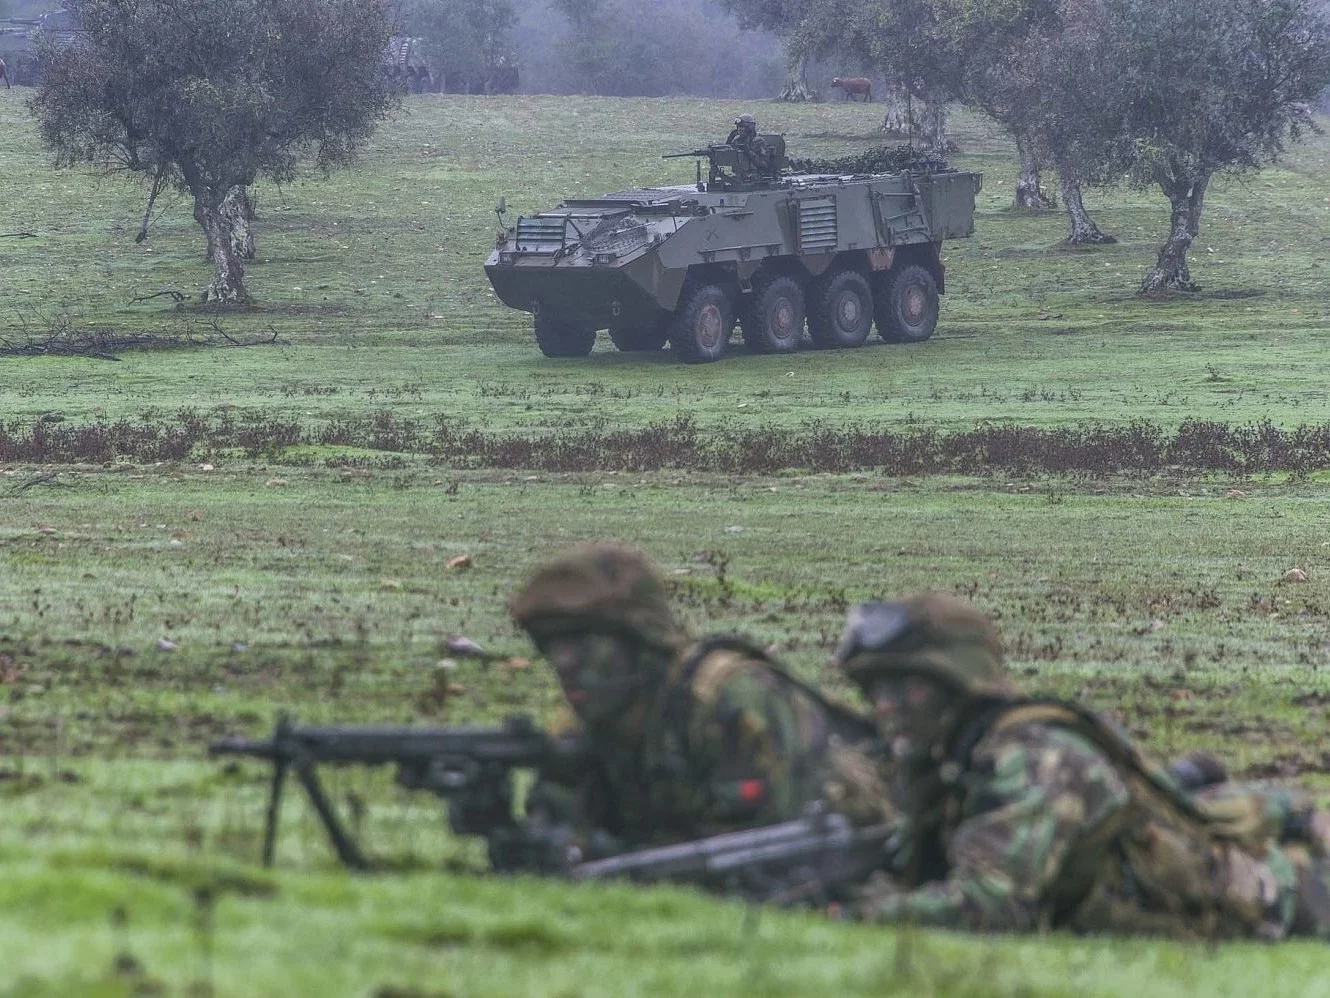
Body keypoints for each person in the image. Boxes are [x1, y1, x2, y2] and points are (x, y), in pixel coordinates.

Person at [830, 593, 1330, 940]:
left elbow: (993, 906)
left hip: (1266, 899)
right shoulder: (955, 758)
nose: (886, 705)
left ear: (953, 681)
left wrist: (848, 914)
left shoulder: (1029, 758)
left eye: (904, 687)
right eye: (875, 690)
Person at [493, 542, 877, 870]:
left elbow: (777, 845)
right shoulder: (584, 727)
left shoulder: (731, 703)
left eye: (583, 642)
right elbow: (558, 834)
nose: (564, 662)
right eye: (552, 645)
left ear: (640, 642)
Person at [726, 113, 772, 183]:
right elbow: (727, 155)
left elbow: (764, 165)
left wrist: (748, 151)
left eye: (742, 127)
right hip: (740, 177)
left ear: (750, 128)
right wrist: (729, 139)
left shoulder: (758, 142)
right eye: (738, 127)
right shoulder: (737, 141)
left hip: (756, 178)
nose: (739, 129)